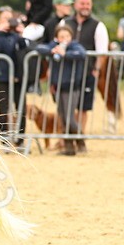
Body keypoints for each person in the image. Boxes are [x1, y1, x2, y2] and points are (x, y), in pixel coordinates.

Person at [63, 0, 109, 151]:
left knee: (83, 107)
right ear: (75, 4)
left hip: (87, 72)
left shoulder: (98, 25)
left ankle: (79, 138)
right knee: (66, 107)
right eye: (82, 3)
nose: (85, 7)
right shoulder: (65, 23)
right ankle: (69, 138)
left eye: (88, 4)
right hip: (67, 72)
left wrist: (96, 70)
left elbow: (102, 52)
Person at [36, 23, 88, 155]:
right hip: (58, 87)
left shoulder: (74, 46)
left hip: (71, 87)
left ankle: (81, 143)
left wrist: (66, 54)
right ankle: (69, 148)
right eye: (61, 36)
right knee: (63, 118)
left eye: (67, 36)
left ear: (71, 36)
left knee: (70, 118)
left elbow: (81, 53)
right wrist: (51, 51)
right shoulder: (54, 46)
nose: (64, 38)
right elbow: (39, 48)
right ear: (57, 38)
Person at [0, 7, 28, 147]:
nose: (8, 21)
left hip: (18, 76)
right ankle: (5, 140)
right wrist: (1, 31)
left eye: (10, 18)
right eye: (5, 18)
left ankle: (20, 139)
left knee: (21, 108)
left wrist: (22, 35)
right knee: (3, 109)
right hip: (2, 76)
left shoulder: (16, 35)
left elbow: (25, 49)